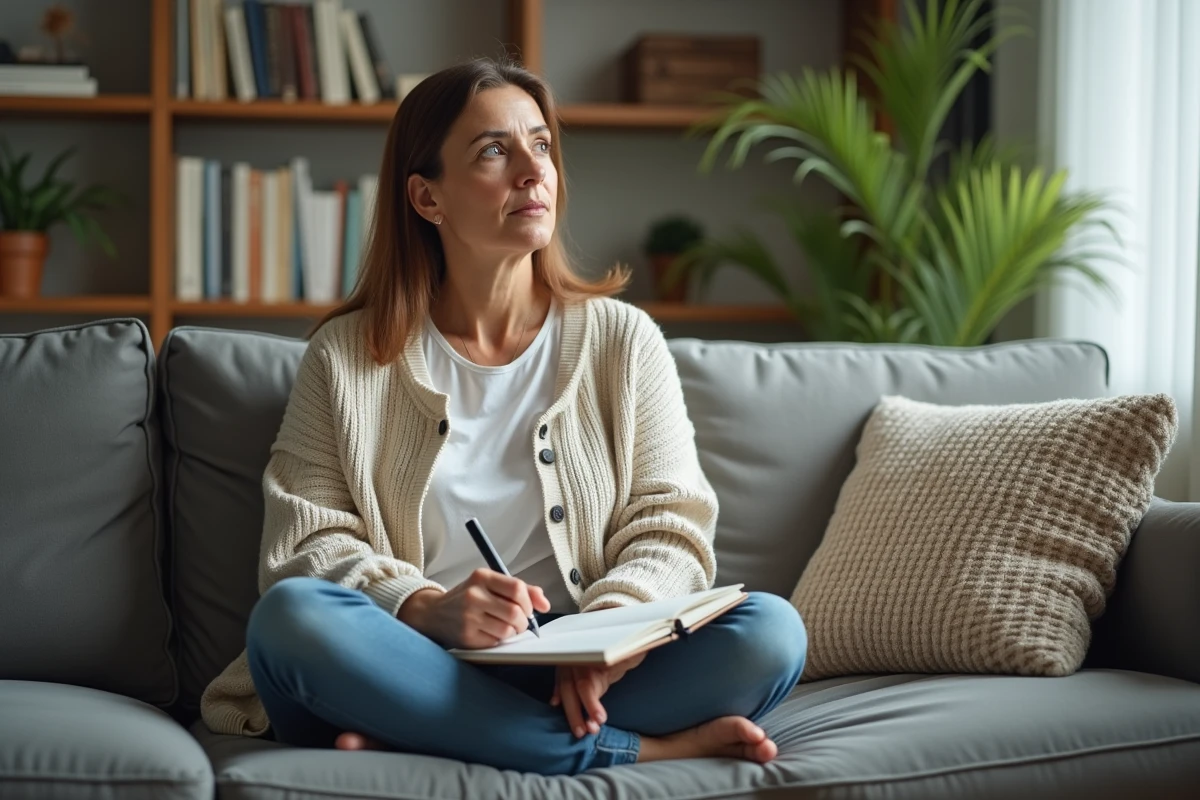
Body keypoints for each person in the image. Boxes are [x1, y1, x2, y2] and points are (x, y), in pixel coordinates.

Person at [199, 57, 807, 776]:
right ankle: (632, 749)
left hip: (579, 666)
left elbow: (672, 527)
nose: (532, 169)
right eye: (494, 149)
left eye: (541, 144)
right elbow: (305, 545)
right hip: (407, 655)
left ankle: (436, 735)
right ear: (427, 197)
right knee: (293, 619)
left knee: (771, 631)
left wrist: (604, 640)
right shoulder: (346, 357)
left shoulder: (623, 341)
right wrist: (425, 607)